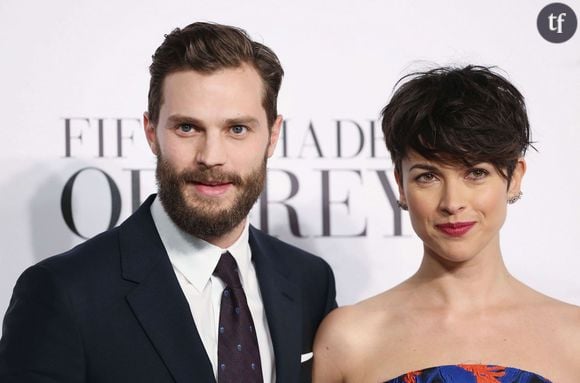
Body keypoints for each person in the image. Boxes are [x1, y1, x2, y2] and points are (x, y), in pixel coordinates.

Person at [0, 22, 336, 383]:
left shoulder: (309, 281)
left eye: (237, 129)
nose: (211, 157)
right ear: (151, 133)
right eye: (187, 128)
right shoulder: (63, 293)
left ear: (272, 136)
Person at [312, 66, 580, 382]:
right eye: (428, 176)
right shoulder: (350, 338)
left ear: (514, 177)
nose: (452, 202)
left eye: (476, 173)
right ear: (400, 185)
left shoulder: (572, 339)